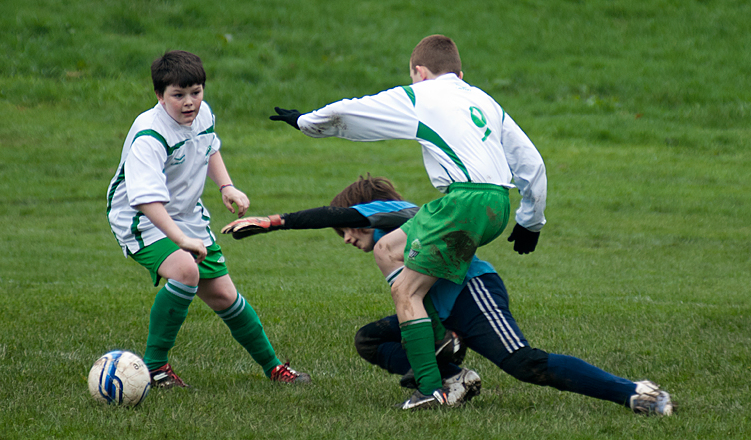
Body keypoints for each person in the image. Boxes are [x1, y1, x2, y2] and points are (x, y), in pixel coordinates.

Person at [220, 175, 674, 415]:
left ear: (369, 212)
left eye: (346, 228)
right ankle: (451, 381)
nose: (343, 235)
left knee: (525, 364)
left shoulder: (397, 212)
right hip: (441, 311)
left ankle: (635, 393)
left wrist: (274, 221)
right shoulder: (395, 245)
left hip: (473, 293)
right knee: (371, 340)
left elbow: (330, 212)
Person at [268, 34, 545, 408]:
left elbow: (352, 111)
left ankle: (433, 384)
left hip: (465, 200)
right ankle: (440, 346)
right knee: (391, 258)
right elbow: (530, 162)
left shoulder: (423, 94)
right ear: (459, 73)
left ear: (419, 71)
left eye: (414, 77)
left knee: (394, 266)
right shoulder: (483, 99)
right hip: (500, 203)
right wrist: (531, 219)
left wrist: (306, 122)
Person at [106, 50, 309, 388]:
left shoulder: (202, 115)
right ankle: (155, 368)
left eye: (196, 92)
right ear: (159, 95)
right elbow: (145, 200)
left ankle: (274, 369)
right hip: (140, 219)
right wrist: (181, 240)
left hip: (187, 215)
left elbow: (209, 146)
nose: (189, 103)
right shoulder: (150, 136)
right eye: (178, 95)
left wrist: (226, 186)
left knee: (226, 297)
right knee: (186, 270)